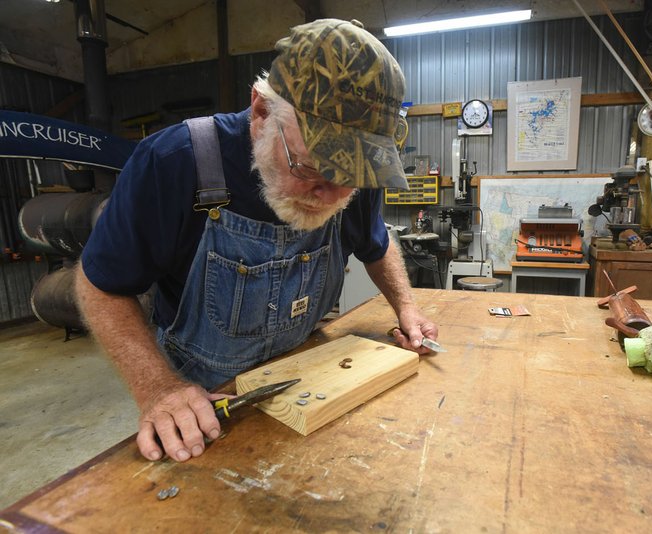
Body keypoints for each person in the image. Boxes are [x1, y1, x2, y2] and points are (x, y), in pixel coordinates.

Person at [75, 18, 438, 464]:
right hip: (206, 399)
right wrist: (159, 389)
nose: (332, 195)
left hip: (307, 372)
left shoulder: (355, 174)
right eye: (310, 170)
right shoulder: (173, 163)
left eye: (350, 180)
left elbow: (376, 244)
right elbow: (99, 286)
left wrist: (406, 306)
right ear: (261, 112)